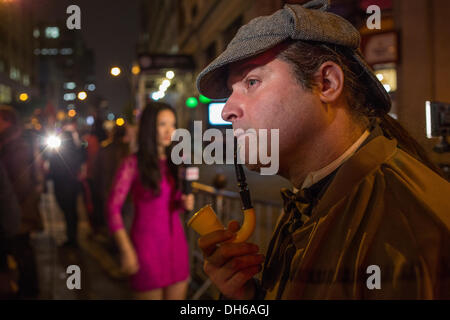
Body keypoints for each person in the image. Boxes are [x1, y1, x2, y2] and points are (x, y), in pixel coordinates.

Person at [195, 0, 450, 299]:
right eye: (231, 92)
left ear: (326, 83)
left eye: (252, 81)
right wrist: (245, 299)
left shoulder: (410, 231)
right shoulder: (309, 198)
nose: (226, 111)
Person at [107, 102, 194, 300]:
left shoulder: (176, 162)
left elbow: (171, 203)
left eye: (172, 124)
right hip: (147, 249)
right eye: (162, 124)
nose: (169, 130)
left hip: (177, 247)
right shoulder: (132, 163)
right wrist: (126, 249)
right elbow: (112, 208)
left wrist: (184, 203)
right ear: (149, 126)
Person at [0, 105, 43, 299]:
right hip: (18, 210)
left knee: (22, 252)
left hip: (19, 211)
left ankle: (29, 290)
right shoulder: (10, 143)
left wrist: (10, 206)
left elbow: (20, 183)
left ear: (7, 121)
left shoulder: (15, 146)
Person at [47, 121, 84, 248]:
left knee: (69, 211)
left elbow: (53, 168)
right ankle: (72, 235)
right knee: (71, 210)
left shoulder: (64, 152)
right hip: (68, 184)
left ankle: (72, 237)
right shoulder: (66, 152)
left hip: (65, 184)